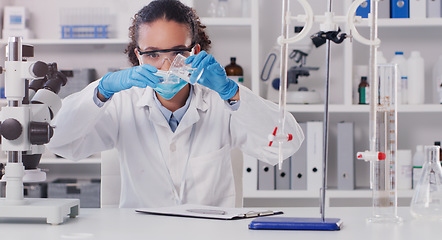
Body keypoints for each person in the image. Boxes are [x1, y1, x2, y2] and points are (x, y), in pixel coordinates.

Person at [47, 0, 304, 208]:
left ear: (196, 51)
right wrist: (101, 91)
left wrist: (231, 92)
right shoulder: (122, 104)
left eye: (178, 53)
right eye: (153, 54)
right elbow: (60, 142)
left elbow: (287, 144)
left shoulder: (221, 101)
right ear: (138, 55)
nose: (167, 66)